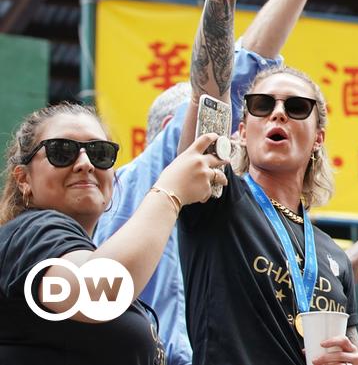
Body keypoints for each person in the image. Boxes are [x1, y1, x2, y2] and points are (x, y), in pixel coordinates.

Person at [93, 0, 358, 365]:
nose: (278, 113)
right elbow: (214, 90)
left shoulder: (332, 256)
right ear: (241, 127)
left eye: (297, 107)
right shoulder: (218, 199)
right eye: (261, 104)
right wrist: (220, 1)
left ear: (318, 135)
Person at [0, 102, 227, 364]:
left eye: (100, 153)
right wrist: (169, 193)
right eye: (62, 151)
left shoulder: (85, 252)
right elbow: (96, 292)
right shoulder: (29, 232)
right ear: (23, 179)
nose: (85, 164)